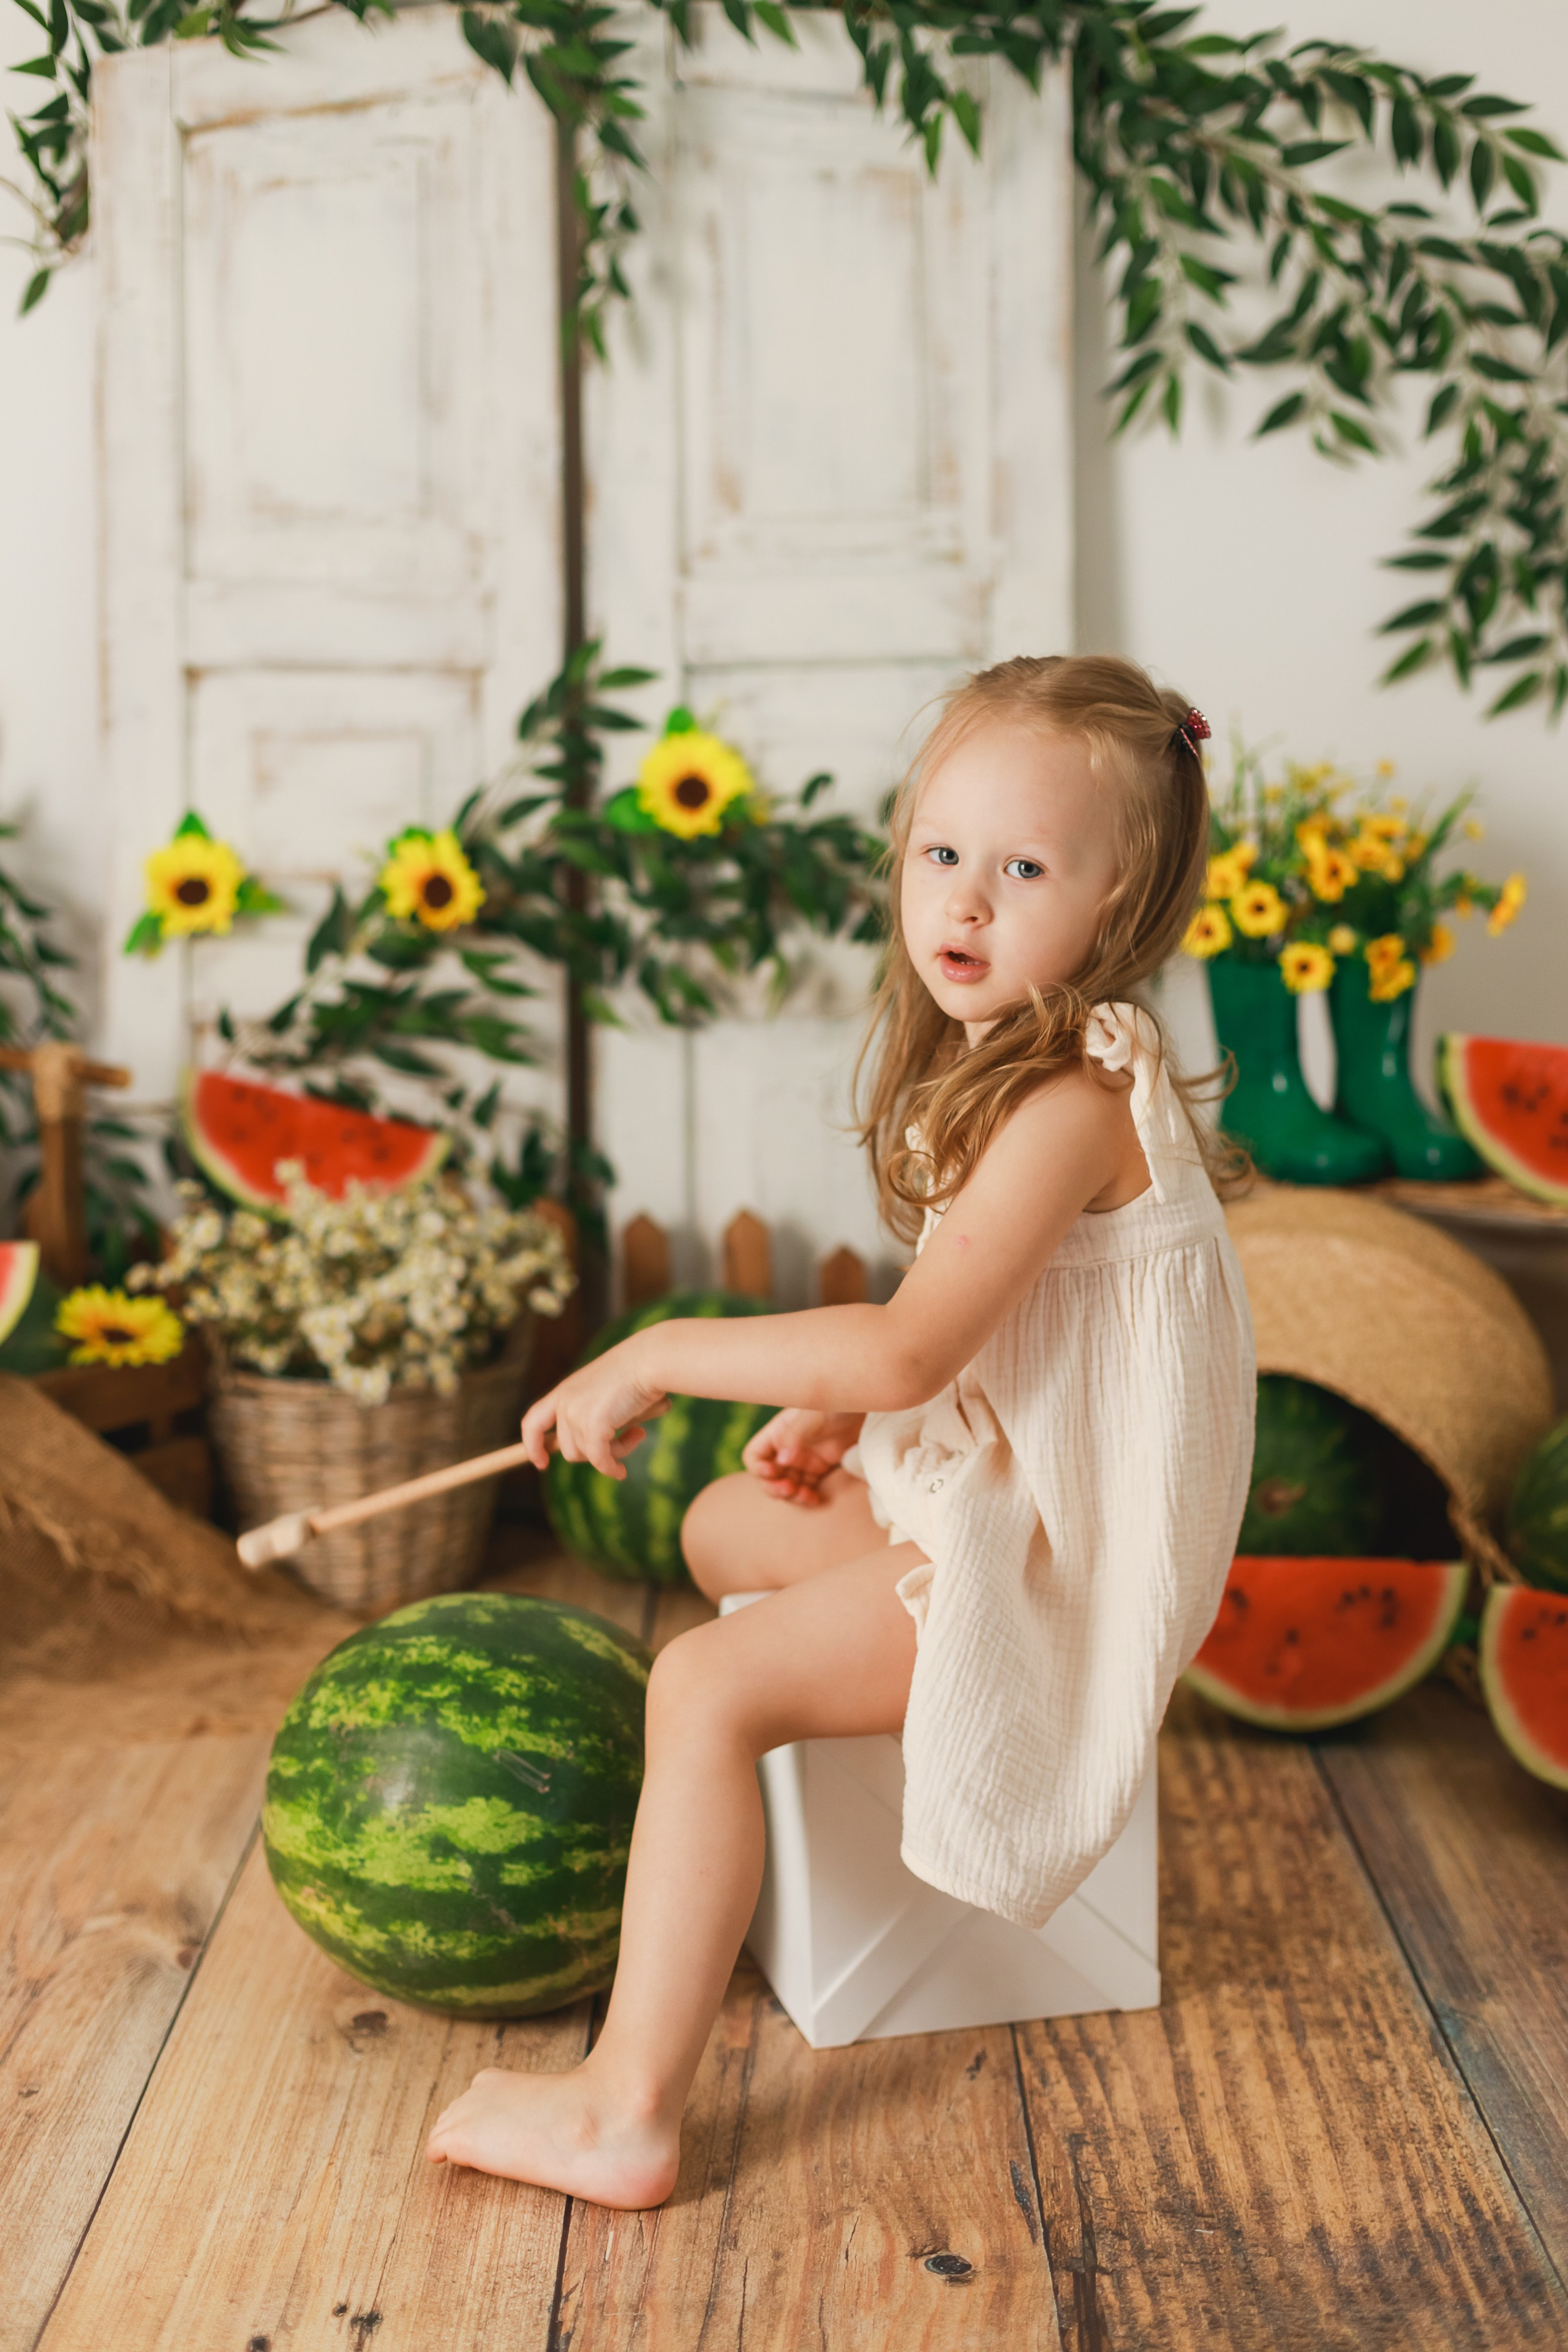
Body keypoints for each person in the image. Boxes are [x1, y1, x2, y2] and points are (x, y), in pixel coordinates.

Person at [427, 654, 1256, 2207]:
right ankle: (727, 1864)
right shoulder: (1016, 1059)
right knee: (716, 1530)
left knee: (702, 1681)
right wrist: (830, 1401)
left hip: (1062, 1575)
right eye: (939, 851)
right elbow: (985, 1315)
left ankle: (627, 2107)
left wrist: (668, 1349)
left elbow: (907, 1342)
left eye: (1021, 869)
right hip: (1010, 1489)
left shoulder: (1073, 1100)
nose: (962, 900)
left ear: (1118, 898)